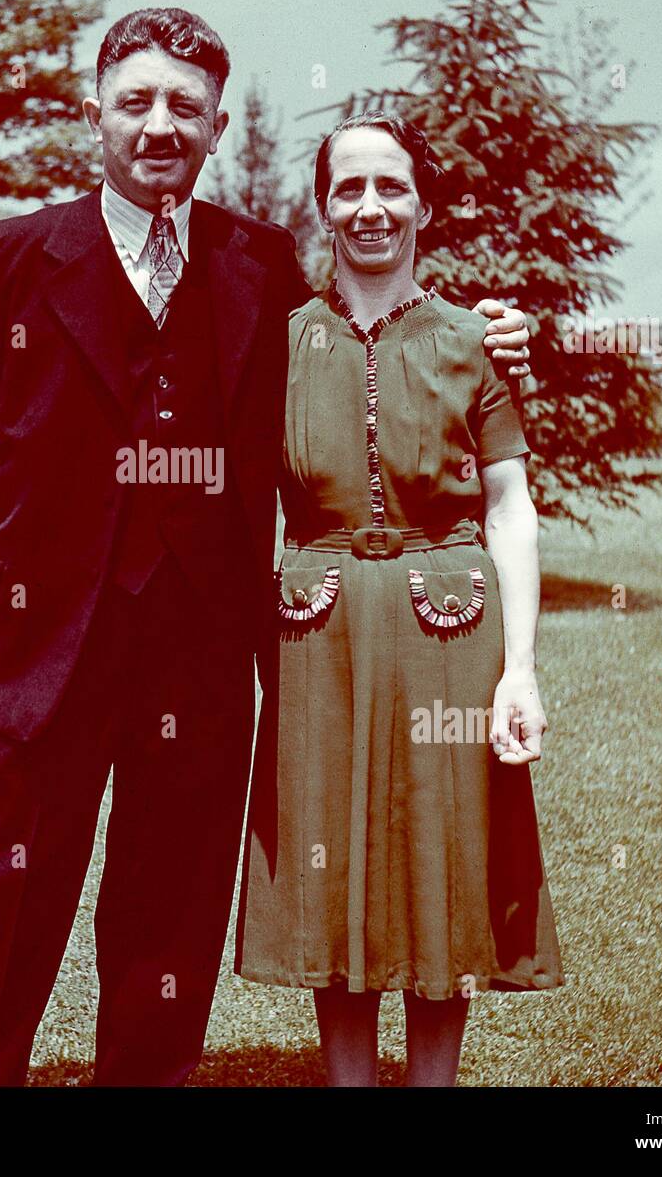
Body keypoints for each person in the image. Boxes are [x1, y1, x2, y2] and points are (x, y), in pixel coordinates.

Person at [0, 10, 531, 1087]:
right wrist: (24, 538)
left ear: (217, 125)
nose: (158, 126)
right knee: (16, 879)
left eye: (184, 107)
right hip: (44, 641)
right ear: (91, 112)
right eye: (135, 101)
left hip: (200, 643)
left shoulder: (258, 263)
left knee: (171, 893)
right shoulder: (2, 259)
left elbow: (358, 353)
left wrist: (483, 332)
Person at [234, 112, 564, 1087]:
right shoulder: (278, 341)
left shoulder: (473, 339)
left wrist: (520, 670)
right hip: (316, 631)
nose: (369, 207)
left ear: (423, 203)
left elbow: (510, 505)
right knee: (330, 861)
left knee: (439, 857)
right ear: (322, 206)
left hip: (449, 624)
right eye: (348, 188)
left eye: (390, 186)